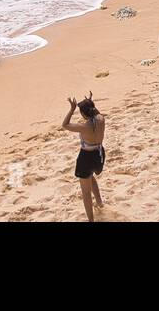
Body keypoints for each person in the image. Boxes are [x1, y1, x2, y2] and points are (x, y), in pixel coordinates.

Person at [62, 92, 105, 221]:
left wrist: (71, 110)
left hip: (86, 158)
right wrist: (90, 103)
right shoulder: (101, 119)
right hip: (99, 155)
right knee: (91, 177)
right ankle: (99, 203)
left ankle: (91, 220)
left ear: (83, 114)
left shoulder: (83, 127)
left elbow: (64, 125)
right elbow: (95, 113)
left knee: (86, 192)